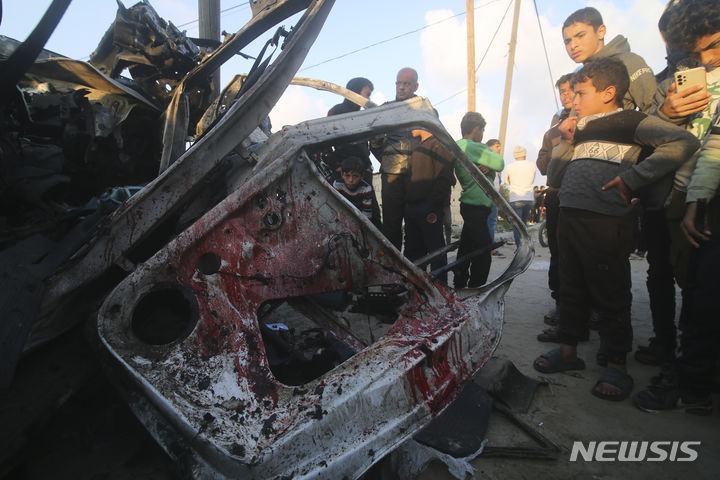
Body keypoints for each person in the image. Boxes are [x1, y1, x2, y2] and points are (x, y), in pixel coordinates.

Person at [533, 58, 699, 402]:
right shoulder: (578, 127)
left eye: (581, 93)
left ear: (609, 93)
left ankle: (616, 364)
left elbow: (682, 143)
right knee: (571, 286)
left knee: (610, 292)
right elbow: (556, 176)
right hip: (570, 217)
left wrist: (633, 178)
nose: (573, 101)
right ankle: (568, 352)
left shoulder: (632, 121)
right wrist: (564, 140)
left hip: (607, 220)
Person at [633, 0, 720, 414]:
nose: (708, 59)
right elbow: (646, 132)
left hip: (697, 198)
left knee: (701, 292)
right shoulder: (673, 79)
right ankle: (677, 363)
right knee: (677, 279)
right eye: (694, 52)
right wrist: (667, 114)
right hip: (677, 197)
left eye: (714, 46)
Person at [562, 6, 656, 113]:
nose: (573, 45)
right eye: (567, 41)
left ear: (601, 32)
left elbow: (653, 107)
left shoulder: (629, 62)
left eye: (580, 36)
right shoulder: (580, 77)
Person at [536, 73, 574, 327]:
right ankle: (561, 303)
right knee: (559, 253)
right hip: (557, 196)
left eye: (571, 90)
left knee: (583, 253)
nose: (567, 96)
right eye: (562, 92)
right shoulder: (552, 131)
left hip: (585, 196)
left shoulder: (594, 123)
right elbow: (542, 165)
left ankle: (589, 307)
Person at [370, 68, 421, 251]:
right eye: (398, 83)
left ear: (415, 86)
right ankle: (393, 270)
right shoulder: (386, 109)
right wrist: (388, 159)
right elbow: (374, 142)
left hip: (418, 177)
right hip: (391, 176)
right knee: (391, 224)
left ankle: (415, 268)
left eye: (406, 84)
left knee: (415, 224)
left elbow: (433, 142)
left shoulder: (425, 110)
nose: (401, 87)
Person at [453, 113, 504, 289]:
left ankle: (459, 283)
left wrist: (487, 165)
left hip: (472, 205)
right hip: (476, 206)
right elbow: (500, 162)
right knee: (483, 250)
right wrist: (488, 155)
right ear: (476, 129)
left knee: (466, 247)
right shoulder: (472, 146)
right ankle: (477, 287)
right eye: (482, 131)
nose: (482, 135)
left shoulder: (460, 145)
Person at [403, 126, 455, 283]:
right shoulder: (418, 146)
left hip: (429, 208)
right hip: (413, 208)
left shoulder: (439, 145)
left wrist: (432, 204)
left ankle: (439, 288)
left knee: (435, 251)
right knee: (413, 250)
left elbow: (444, 177)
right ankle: (416, 287)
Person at [332, 156, 379, 228]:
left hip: (359, 218)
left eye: (355, 176)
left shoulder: (366, 189)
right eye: (347, 176)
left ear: (362, 176)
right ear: (342, 175)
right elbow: (335, 207)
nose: (351, 180)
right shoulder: (338, 185)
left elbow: (367, 214)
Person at [504, 146, 536, 247]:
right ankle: (526, 246)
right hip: (528, 197)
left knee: (517, 225)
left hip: (515, 197)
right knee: (524, 223)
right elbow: (533, 179)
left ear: (514, 155)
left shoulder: (509, 166)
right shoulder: (532, 165)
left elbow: (507, 181)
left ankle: (520, 248)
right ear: (525, 154)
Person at [485, 139, 504, 257]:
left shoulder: (493, 162)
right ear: (489, 147)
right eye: (497, 146)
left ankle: (488, 246)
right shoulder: (488, 160)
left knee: (491, 222)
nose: (499, 149)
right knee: (490, 223)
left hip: (494, 197)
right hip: (489, 197)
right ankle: (489, 248)